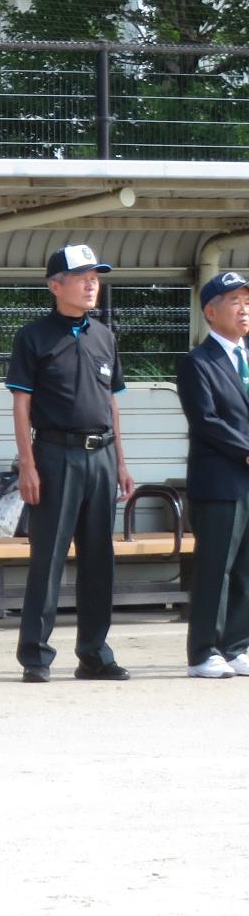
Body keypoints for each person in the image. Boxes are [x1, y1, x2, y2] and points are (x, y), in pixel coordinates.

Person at [8, 243, 134, 683]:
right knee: (49, 558)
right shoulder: (33, 336)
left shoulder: (104, 335)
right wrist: (27, 464)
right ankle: (36, 656)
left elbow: (111, 403)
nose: (91, 284)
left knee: (101, 558)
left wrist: (120, 460)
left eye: (95, 276)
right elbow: (21, 406)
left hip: (100, 456)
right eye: (82, 276)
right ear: (55, 285)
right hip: (55, 456)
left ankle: (95, 652)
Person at [175, 270, 249, 680]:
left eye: (247, 301)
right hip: (220, 480)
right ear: (211, 311)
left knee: (245, 569)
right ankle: (204, 651)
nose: (244, 309)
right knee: (215, 567)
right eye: (235, 301)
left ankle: (236, 646)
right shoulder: (197, 362)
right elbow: (206, 420)